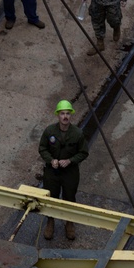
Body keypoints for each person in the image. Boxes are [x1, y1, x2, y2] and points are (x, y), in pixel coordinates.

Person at [38, 99, 89, 241]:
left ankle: (69, 222)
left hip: (70, 173)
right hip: (52, 172)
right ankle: (50, 221)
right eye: (62, 114)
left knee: (69, 198)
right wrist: (50, 160)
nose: (65, 116)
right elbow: (42, 148)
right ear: (58, 115)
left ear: (71, 115)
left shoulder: (77, 133)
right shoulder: (50, 131)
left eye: (68, 113)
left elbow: (84, 152)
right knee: (51, 197)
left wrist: (70, 161)